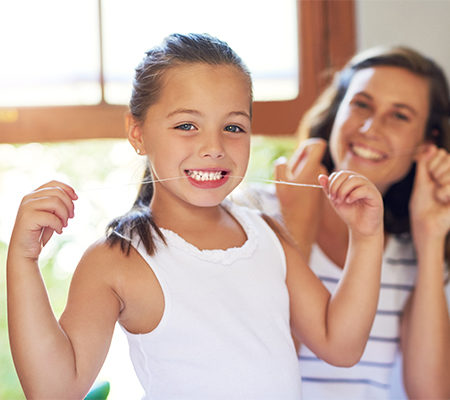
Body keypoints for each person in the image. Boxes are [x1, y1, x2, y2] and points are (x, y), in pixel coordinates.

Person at [7, 33, 384, 399]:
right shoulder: (115, 261)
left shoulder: (266, 233)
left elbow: (341, 345)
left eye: (233, 127)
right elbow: (54, 391)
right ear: (137, 133)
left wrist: (366, 237)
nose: (213, 148)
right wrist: (23, 260)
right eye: (187, 125)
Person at [263, 46, 450, 399]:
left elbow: (431, 394)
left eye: (400, 116)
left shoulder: (413, 250)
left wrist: (431, 237)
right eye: (361, 104)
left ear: (427, 143)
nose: (369, 127)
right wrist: (297, 229)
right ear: (336, 113)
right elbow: (256, 376)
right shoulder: (257, 217)